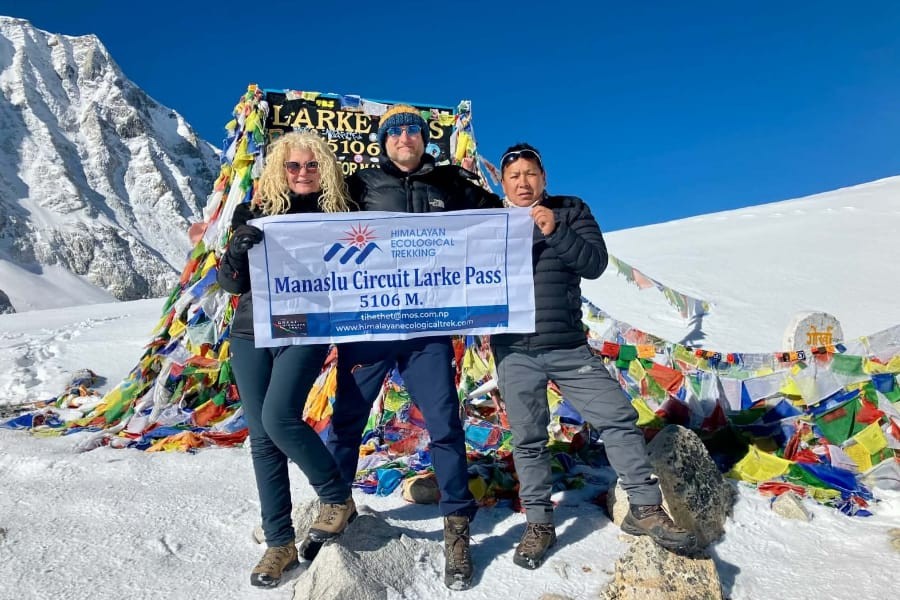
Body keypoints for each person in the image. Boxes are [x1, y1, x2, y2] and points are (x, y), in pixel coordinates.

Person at [489, 143, 699, 570]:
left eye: (531, 174)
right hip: (514, 351)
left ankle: (644, 507)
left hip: (567, 343)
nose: (523, 182)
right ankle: (539, 523)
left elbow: (595, 264)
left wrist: (555, 230)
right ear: (504, 183)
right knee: (528, 439)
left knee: (617, 416)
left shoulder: (570, 209)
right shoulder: (488, 222)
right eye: (514, 176)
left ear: (544, 179)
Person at [326, 105, 501, 590]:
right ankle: (336, 506)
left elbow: (501, 217)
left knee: (444, 426)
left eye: (413, 130)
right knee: (347, 422)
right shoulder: (358, 185)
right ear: (382, 141)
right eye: (395, 131)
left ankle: (457, 528)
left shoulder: (448, 183)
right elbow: (308, 221)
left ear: (425, 139)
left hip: (428, 330)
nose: (405, 137)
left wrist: (544, 211)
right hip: (370, 327)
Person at [217, 131, 357, 587]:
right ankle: (280, 543)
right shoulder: (254, 211)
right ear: (280, 168)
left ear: (326, 170)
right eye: (294, 166)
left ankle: (336, 497)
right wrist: (236, 251)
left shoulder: (339, 214)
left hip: (307, 327)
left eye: (311, 166)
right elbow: (232, 284)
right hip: (250, 327)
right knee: (261, 438)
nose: (302, 173)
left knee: (279, 417)